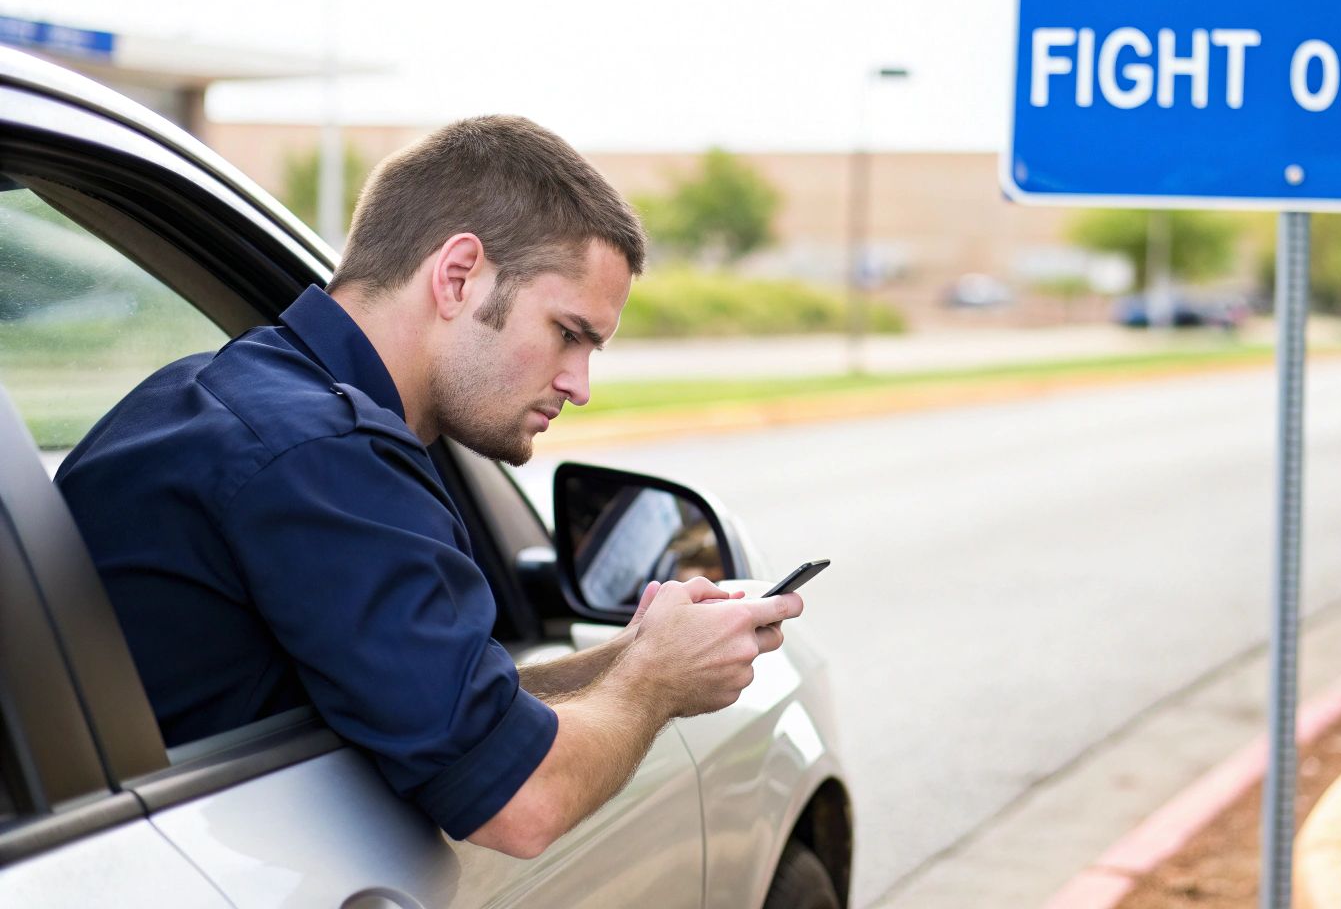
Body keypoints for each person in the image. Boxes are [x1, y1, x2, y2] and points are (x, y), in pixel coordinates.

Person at [55, 115, 802, 859]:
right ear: (457, 276)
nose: (579, 386)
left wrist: (633, 653)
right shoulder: (326, 458)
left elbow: (448, 706)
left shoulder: (223, 397)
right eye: (568, 333)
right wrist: (656, 682)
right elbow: (519, 802)